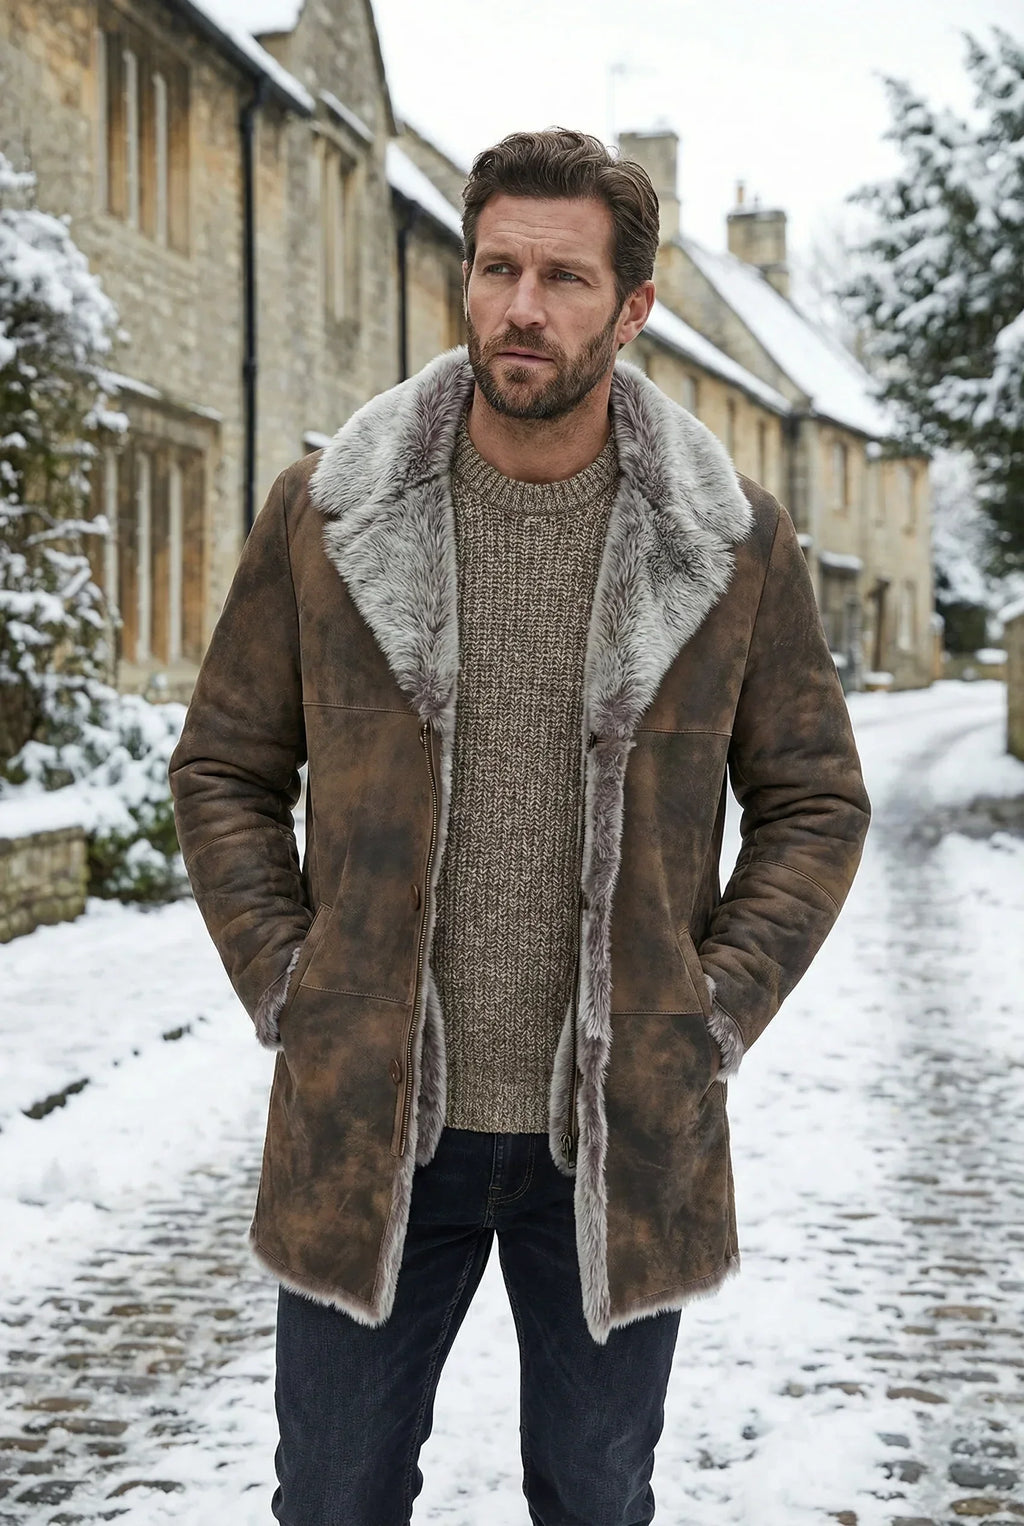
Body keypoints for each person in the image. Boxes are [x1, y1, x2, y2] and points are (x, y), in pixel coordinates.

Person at [168, 127, 871, 1526]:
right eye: (497, 268)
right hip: (372, 1126)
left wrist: (707, 1010)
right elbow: (223, 769)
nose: (522, 308)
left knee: (596, 1498)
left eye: (562, 276)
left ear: (633, 307)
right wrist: (296, 986)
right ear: (467, 281)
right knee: (332, 1496)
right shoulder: (325, 515)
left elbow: (814, 798)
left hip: (616, 1136)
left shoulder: (732, 545)